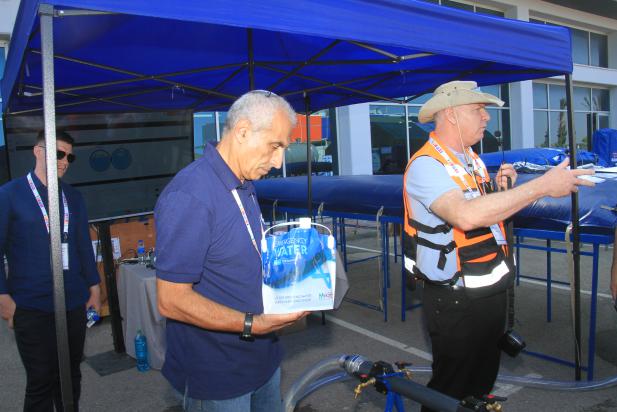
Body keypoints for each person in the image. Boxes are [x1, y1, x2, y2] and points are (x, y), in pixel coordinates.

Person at [402, 80, 594, 410]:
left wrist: (501, 190)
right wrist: (541, 187)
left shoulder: (472, 160)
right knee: (450, 388)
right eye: (478, 109)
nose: (486, 117)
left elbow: (485, 213)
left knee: (481, 382)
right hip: (454, 298)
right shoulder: (426, 165)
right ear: (450, 114)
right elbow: (464, 215)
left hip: (488, 290)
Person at [155, 90, 307, 412]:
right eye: (275, 146)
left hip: (263, 358)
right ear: (242, 131)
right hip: (218, 374)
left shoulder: (244, 181)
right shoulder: (191, 194)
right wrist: (253, 324)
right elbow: (171, 300)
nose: (278, 162)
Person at [0, 130, 101, 412]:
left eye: (70, 157)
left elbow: (83, 245)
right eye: (58, 153)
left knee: (71, 376)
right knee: (40, 381)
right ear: (38, 151)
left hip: (73, 303)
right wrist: (3, 297)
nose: (65, 161)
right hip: (31, 306)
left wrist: (94, 288)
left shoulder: (73, 197)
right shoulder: (9, 195)